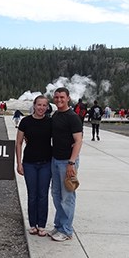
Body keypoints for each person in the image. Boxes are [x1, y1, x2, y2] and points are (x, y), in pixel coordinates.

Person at [15, 95, 53, 237]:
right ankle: (32, 224)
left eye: (44, 105)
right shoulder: (25, 122)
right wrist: (19, 163)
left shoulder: (50, 122)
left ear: (47, 107)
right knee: (32, 195)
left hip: (46, 163)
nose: (41, 108)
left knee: (43, 194)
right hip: (29, 163)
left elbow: (60, 137)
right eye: (39, 105)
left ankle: (42, 225)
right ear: (34, 105)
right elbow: (18, 142)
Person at [49, 87, 83, 242]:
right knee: (56, 195)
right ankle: (59, 225)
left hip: (67, 162)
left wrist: (71, 162)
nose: (59, 100)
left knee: (67, 196)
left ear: (68, 98)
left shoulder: (72, 117)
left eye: (62, 97)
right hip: (55, 159)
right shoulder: (56, 115)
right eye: (56, 97)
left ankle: (67, 230)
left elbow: (78, 141)